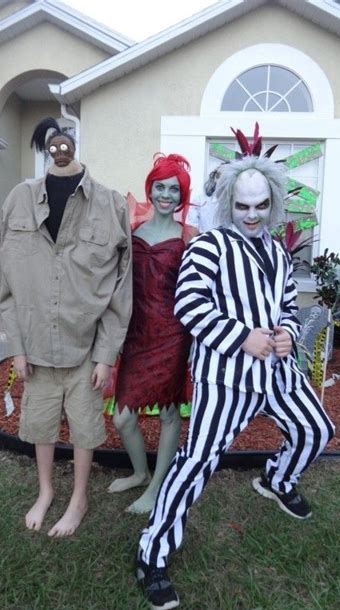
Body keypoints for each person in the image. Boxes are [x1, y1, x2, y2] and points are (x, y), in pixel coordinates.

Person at [135, 126, 335, 610]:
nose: (251, 214)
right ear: (228, 202)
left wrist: (287, 330)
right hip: (225, 377)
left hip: (278, 371)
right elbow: (190, 305)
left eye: (260, 205)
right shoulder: (209, 246)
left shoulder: (278, 252)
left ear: (272, 204)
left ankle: (276, 480)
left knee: (316, 430)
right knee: (197, 462)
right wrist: (242, 337)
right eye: (243, 205)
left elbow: (287, 304)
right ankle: (151, 552)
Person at [0, 117, 132, 537]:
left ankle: (78, 498)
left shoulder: (110, 205)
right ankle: (45, 491)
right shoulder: (19, 200)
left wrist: (106, 356)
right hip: (36, 350)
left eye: (66, 142)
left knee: (85, 431)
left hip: (85, 350)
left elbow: (120, 287)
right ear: (46, 149)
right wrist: (18, 348)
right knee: (39, 427)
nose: (60, 149)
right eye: (53, 145)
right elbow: (8, 285)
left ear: (74, 145)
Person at [107, 154, 193, 514]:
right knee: (122, 416)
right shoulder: (132, 231)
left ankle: (157, 487)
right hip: (137, 335)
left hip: (173, 336)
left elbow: (201, 291)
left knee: (170, 414)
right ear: (151, 188)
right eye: (161, 187)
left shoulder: (190, 237)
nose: (166, 195)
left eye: (174, 189)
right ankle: (140, 472)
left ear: (181, 197)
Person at [187, 161, 229, 232]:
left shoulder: (238, 204)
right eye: (219, 176)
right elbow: (192, 230)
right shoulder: (199, 201)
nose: (222, 181)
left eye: (227, 177)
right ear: (215, 178)